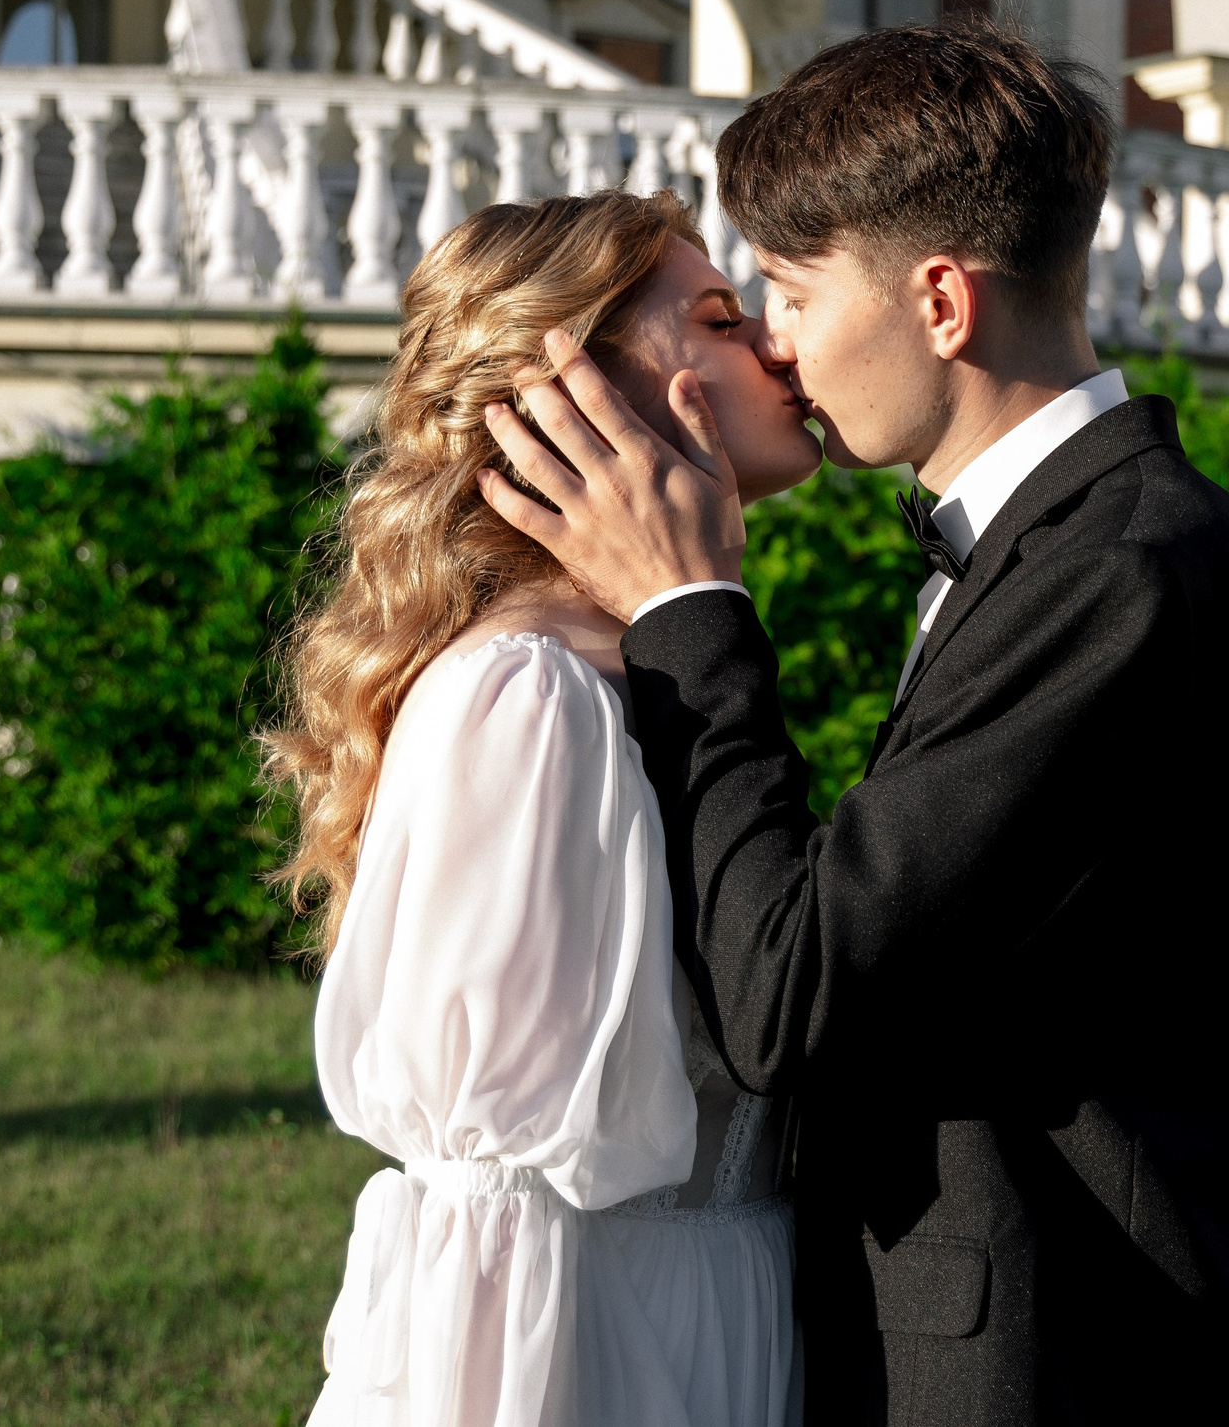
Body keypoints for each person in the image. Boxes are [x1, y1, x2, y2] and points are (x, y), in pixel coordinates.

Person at [479, 19, 1229, 1425]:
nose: (777, 341)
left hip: (1071, 1377)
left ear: (939, 301)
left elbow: (792, 991)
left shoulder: (1117, 574)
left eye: (791, 290)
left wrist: (692, 612)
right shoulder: (1067, 546)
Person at [265, 189, 825, 1427]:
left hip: (720, 1328)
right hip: (617, 1360)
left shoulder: (642, 666)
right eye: (722, 319)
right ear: (575, 391)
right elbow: (495, 1204)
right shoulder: (532, 698)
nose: (779, 344)